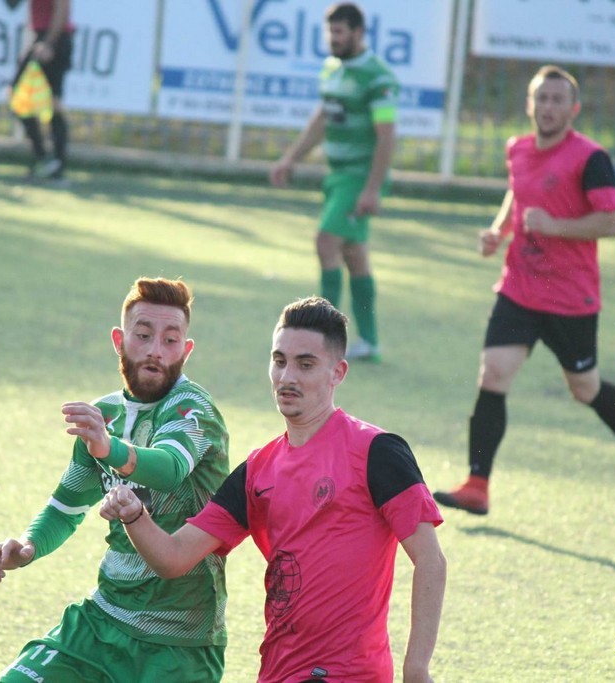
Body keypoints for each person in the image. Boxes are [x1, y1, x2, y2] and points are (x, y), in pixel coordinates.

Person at [101, 296, 446, 683]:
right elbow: (174, 558)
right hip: (277, 672)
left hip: (349, 674)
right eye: (279, 361)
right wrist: (133, 513)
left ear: (338, 372)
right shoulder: (257, 470)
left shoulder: (377, 452)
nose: (287, 377)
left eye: (305, 364)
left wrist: (416, 668)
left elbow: (430, 559)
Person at [432, 66, 615, 517]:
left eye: (558, 100)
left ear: (574, 109)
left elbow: (613, 222)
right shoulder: (517, 149)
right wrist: (499, 232)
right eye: (542, 98)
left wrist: (555, 226)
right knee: (494, 374)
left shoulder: (591, 158)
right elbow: (517, 195)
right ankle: (477, 483)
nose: (548, 107)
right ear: (530, 105)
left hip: (570, 297)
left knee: (585, 388)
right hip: (519, 286)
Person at [0, 277, 230, 683]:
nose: (155, 350)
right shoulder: (106, 415)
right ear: (119, 340)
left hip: (180, 643)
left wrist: (108, 448)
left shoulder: (193, 408)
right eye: (143, 335)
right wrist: (28, 546)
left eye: (170, 340)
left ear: (186, 350)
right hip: (101, 622)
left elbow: (170, 468)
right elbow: (65, 507)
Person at [270, 3, 399, 363]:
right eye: (330, 32)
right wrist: (291, 158)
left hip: (359, 176)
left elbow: (386, 135)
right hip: (337, 175)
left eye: (339, 32)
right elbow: (323, 119)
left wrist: (372, 189)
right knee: (354, 256)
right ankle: (369, 342)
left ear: (358, 33)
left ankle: (320, 339)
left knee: (325, 241)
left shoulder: (377, 77)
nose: (333, 39)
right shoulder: (331, 68)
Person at [7, 0, 74, 183]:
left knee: (52, 104)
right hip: (40, 38)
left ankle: (56, 165)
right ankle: (45, 159)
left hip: (54, 40)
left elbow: (62, 7)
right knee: (21, 100)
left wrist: (48, 43)